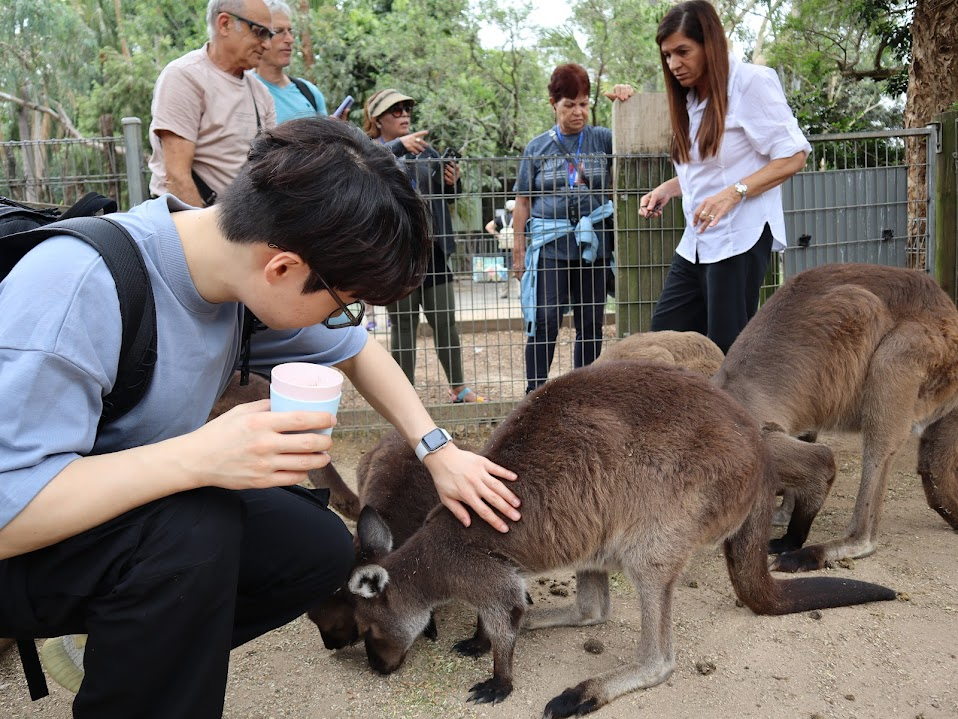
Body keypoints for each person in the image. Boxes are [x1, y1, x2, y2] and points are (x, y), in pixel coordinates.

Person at [0, 117, 521, 717]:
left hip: (107, 516)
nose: (343, 319)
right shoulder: (81, 289)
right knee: (194, 530)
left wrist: (439, 450)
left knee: (316, 547)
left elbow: (356, 353)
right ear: (283, 269)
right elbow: (11, 510)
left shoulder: (231, 283)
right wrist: (199, 457)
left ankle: (132, 651)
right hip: (24, 539)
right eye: (344, 302)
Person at [640, 0, 811, 354]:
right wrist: (669, 189)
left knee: (726, 350)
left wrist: (734, 193)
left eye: (682, 52)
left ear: (710, 44)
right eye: (667, 55)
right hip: (698, 241)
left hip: (740, 239)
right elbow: (709, 168)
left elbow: (794, 155)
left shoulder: (751, 83)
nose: (673, 65)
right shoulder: (689, 98)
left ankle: (736, 412)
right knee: (665, 339)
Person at [511, 64, 634, 393]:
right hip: (551, 247)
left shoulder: (602, 139)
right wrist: (518, 252)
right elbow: (523, 202)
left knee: (591, 321)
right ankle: (534, 393)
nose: (578, 112)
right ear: (553, 104)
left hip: (592, 247)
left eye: (583, 103)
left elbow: (634, 136)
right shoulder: (537, 148)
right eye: (569, 105)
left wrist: (624, 101)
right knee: (545, 320)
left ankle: (584, 393)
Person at [363, 89, 486, 404]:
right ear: (377, 120)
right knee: (403, 325)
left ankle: (459, 388)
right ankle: (404, 396)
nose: (404, 114)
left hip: (433, 251)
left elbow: (450, 199)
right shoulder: (371, 152)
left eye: (407, 109)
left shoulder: (427, 152)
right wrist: (396, 148)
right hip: (395, 254)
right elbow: (363, 176)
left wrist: (452, 181)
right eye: (396, 110)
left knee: (445, 320)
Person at [148, 0, 278, 207]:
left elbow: (267, 167)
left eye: (269, 35)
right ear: (225, 24)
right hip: (184, 217)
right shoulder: (185, 77)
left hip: (237, 220)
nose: (267, 44)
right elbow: (176, 177)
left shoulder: (260, 93)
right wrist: (207, 232)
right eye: (260, 32)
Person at [254, 0, 329, 123]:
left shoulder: (309, 92)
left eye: (290, 31)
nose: (289, 39)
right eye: (278, 31)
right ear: (259, 36)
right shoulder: (245, 90)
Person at [485, 199, 516, 298]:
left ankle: (504, 292)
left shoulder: (501, 218)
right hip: (516, 246)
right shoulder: (518, 217)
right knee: (519, 268)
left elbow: (488, 227)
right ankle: (521, 292)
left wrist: (499, 236)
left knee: (506, 269)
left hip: (504, 247)